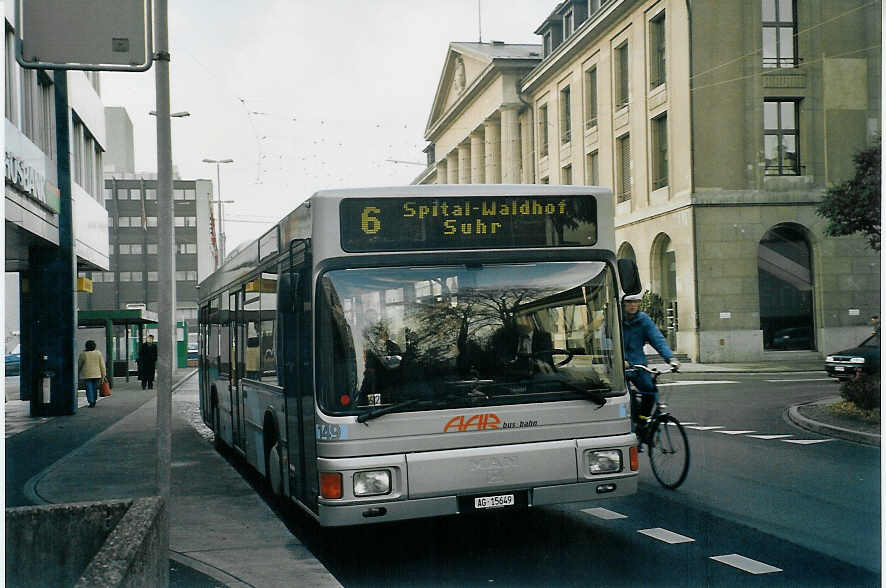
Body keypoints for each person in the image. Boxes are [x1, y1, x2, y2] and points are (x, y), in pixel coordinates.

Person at [622, 294, 679, 433]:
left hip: (638, 366)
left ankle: (642, 422)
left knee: (650, 391)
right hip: (620, 368)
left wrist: (671, 359)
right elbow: (605, 339)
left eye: (635, 302)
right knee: (625, 401)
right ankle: (623, 422)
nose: (632, 305)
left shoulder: (643, 320)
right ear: (622, 304)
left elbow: (657, 339)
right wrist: (617, 359)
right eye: (629, 302)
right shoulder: (615, 320)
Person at [78, 340, 106, 408]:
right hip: (97, 374)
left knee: (89, 388)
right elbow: (102, 365)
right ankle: (94, 399)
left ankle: (91, 401)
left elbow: (79, 365)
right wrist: (103, 374)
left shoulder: (83, 354)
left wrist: (78, 372)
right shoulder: (98, 353)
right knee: (94, 388)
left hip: (86, 374)